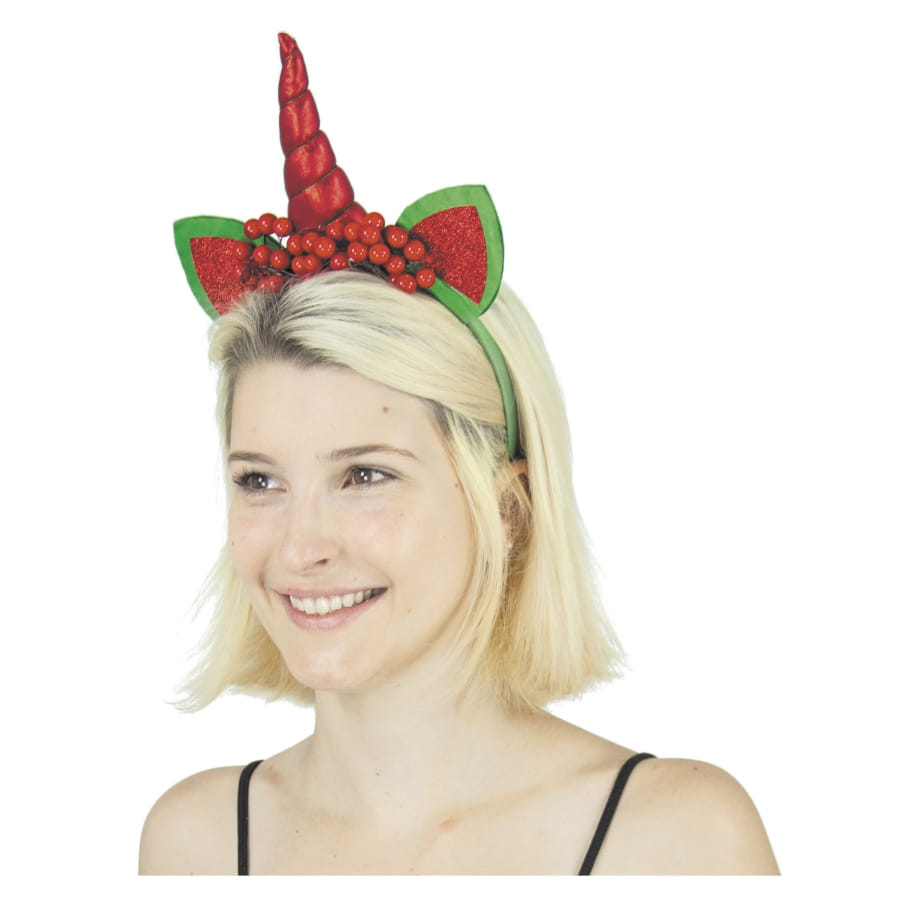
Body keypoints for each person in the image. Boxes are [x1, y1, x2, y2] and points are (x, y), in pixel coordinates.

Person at [140, 33, 779, 875]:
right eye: (260, 480)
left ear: (506, 506)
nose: (300, 547)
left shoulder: (674, 839)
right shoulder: (194, 842)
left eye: (365, 475)